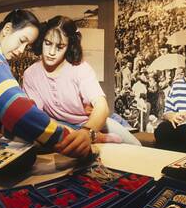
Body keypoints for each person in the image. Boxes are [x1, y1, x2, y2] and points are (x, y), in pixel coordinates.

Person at [0, 9, 91, 158]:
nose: (21, 51)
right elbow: (19, 112)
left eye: (27, 45)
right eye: (22, 41)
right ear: (7, 29)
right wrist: (68, 140)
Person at [22, 15, 141, 146]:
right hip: (57, 124)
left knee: (136, 147)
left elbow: (102, 107)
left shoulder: (80, 69)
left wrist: (86, 132)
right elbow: (36, 117)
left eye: (60, 47)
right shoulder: (30, 74)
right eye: (48, 43)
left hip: (92, 123)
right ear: (41, 41)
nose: (51, 52)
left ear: (69, 46)